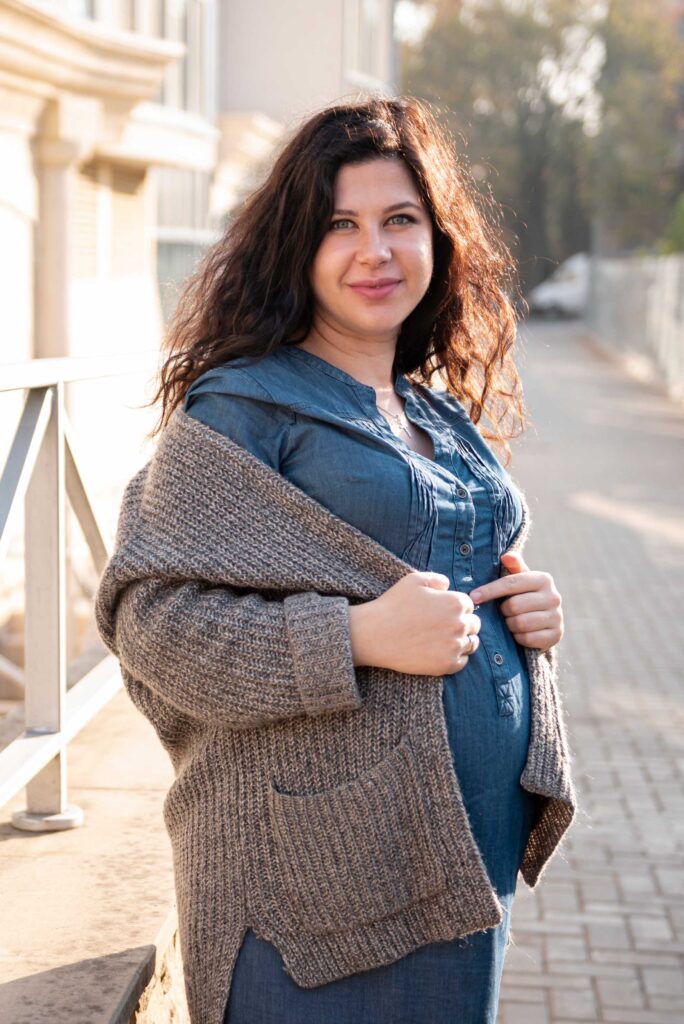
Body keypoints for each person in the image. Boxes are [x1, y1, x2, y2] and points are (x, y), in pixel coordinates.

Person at [95, 96, 575, 1024]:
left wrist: (529, 610)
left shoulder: (430, 412)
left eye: (401, 220)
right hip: (314, 890)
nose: (375, 251)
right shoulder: (243, 409)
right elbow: (150, 624)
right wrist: (355, 635)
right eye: (339, 226)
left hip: (455, 852)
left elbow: (460, 563)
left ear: (437, 239)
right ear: (297, 248)